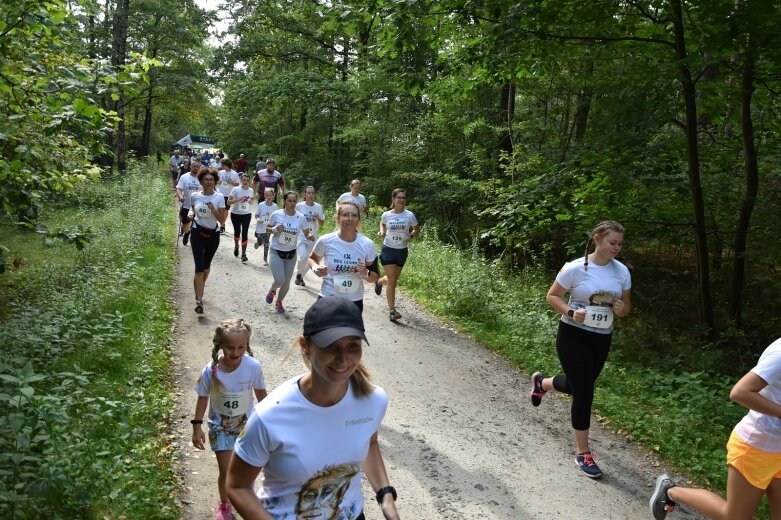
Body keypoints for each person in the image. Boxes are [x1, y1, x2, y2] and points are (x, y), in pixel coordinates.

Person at [226, 296, 401, 520]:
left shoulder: (373, 400)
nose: (343, 359)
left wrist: (386, 498)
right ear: (305, 346)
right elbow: (237, 486)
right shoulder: (270, 416)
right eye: (330, 347)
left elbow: (370, 440)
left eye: (353, 347)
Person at [529, 220, 631, 478]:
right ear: (597, 238)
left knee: (578, 386)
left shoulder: (622, 272)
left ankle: (543, 384)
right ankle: (583, 453)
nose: (616, 247)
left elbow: (626, 307)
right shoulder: (575, 268)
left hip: (602, 338)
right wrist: (571, 311)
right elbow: (552, 296)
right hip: (573, 335)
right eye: (612, 242)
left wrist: (622, 309)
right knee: (585, 393)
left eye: (619, 243)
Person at [649, 337, 781, 520]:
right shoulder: (779, 354)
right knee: (733, 516)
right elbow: (740, 392)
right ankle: (670, 491)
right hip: (756, 447)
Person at [192, 318, 268, 520]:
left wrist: (270, 423)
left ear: (247, 345)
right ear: (220, 346)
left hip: (246, 428)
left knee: (245, 473)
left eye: (240, 347)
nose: (235, 353)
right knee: (226, 472)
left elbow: (262, 395)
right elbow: (203, 397)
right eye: (229, 347)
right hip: (220, 428)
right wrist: (197, 426)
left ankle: (245, 502)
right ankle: (225, 505)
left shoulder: (253, 367)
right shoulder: (211, 370)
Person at [308, 201, 378, 312]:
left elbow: (375, 277)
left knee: (351, 330)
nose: (350, 219)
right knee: (319, 329)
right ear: (338, 218)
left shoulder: (367, 244)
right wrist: (315, 268)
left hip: (354, 301)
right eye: (345, 215)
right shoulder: (326, 240)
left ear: (358, 219)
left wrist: (365, 272)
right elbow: (312, 259)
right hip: (328, 297)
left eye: (354, 215)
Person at [374, 189, 420, 322]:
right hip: (388, 249)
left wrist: (411, 236)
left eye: (404, 198)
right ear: (394, 199)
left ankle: (379, 282)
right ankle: (392, 311)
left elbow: (416, 229)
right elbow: (382, 224)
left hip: (402, 251)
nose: (402, 200)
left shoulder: (409, 215)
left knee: (392, 279)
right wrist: (381, 231)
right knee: (392, 280)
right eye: (399, 197)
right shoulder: (386, 214)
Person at [264, 191, 311, 314]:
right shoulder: (276, 214)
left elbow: (306, 232)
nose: (292, 203)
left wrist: (310, 236)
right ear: (284, 201)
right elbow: (267, 229)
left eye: (294, 201)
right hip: (276, 251)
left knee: (287, 281)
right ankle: (273, 289)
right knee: (280, 279)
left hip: (291, 253)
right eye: (289, 201)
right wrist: (275, 229)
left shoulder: (300, 217)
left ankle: (279, 301)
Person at [188, 169, 227, 314]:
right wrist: (190, 214)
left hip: (213, 235)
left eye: (211, 179)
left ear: (215, 181)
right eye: (206, 179)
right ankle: (199, 300)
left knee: (205, 267)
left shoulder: (219, 197)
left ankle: (200, 286)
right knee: (199, 268)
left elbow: (222, 220)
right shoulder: (195, 196)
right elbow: (192, 211)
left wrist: (213, 209)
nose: (209, 182)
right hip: (197, 232)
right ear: (201, 181)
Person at [294, 186, 325, 288]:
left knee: (310, 260)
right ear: (305, 194)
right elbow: (292, 216)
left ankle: (300, 277)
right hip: (301, 236)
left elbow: (322, 224)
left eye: (312, 193)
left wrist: (317, 217)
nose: (311, 195)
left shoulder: (318, 207)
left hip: (313, 238)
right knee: (302, 256)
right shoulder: (299, 206)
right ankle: (299, 273)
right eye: (308, 193)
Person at [227, 174, 254, 262]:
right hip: (235, 213)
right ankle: (236, 245)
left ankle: (243, 254)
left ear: (249, 181)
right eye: (244, 180)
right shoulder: (235, 189)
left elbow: (251, 201)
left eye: (247, 180)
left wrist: (250, 201)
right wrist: (239, 200)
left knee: (245, 233)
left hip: (247, 214)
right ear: (241, 180)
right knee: (237, 231)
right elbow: (228, 202)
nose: (245, 182)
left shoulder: (251, 190)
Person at [176, 160, 203, 246]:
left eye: (197, 166)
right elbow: (179, 189)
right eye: (194, 166)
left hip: (198, 206)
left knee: (197, 224)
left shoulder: (203, 178)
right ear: (190, 166)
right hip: (186, 204)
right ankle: (187, 232)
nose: (195, 168)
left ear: (200, 168)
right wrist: (180, 196)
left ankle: (194, 239)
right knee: (185, 224)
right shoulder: (184, 177)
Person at [253, 188, 277, 265]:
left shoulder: (275, 206)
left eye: (270, 195)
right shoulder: (261, 205)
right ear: (264, 196)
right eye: (267, 195)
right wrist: (258, 219)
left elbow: (276, 217)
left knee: (266, 243)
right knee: (260, 242)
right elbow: (256, 215)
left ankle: (265, 258)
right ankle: (258, 243)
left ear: (274, 196)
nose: (268, 197)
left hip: (268, 228)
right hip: (260, 227)